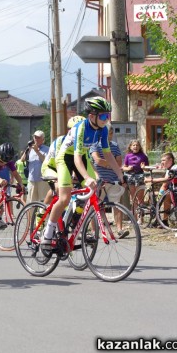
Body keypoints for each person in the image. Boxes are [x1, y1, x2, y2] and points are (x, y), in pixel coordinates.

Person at [41, 97, 124, 248]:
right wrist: (86, 177)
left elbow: (108, 155)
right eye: (103, 116)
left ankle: (74, 220)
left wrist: (120, 175)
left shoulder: (103, 130)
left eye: (108, 116)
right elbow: (76, 158)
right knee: (64, 197)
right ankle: (48, 232)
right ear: (92, 116)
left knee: (94, 190)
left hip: (82, 157)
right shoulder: (81, 128)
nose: (106, 120)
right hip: (66, 158)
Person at [89, 124, 128, 237]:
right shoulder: (95, 145)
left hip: (113, 180)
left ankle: (119, 230)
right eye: (107, 133)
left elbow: (119, 163)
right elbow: (97, 160)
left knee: (116, 205)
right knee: (95, 205)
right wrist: (112, 163)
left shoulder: (115, 146)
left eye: (111, 133)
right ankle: (93, 231)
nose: (109, 136)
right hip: (100, 180)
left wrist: (107, 163)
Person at [40, 115, 86, 205]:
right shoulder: (60, 141)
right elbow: (59, 161)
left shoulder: (82, 143)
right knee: (58, 187)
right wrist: (70, 176)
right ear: (70, 131)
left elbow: (85, 162)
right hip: (51, 168)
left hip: (67, 168)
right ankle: (41, 213)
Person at [145, 152, 177, 224]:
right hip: (175, 192)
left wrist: (151, 180)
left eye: (164, 160)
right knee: (153, 194)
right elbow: (164, 185)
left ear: (170, 160)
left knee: (166, 195)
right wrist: (158, 200)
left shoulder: (176, 167)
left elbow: (167, 179)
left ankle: (165, 221)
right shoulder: (168, 170)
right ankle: (157, 217)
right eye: (161, 160)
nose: (162, 162)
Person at [20, 130, 49, 203]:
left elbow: (45, 162)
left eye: (38, 138)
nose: (36, 139)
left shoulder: (47, 149)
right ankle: (31, 214)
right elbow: (22, 160)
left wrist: (37, 151)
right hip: (32, 179)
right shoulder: (30, 149)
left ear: (43, 139)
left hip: (43, 180)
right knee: (31, 202)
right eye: (35, 137)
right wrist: (28, 149)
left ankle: (43, 214)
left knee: (43, 201)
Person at [122, 139, 149, 206]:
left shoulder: (143, 156)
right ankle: (134, 216)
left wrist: (144, 167)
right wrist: (128, 168)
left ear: (139, 147)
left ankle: (141, 215)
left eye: (137, 145)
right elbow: (123, 167)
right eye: (133, 145)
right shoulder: (128, 156)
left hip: (139, 176)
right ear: (130, 147)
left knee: (140, 198)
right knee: (133, 198)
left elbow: (147, 169)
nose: (135, 146)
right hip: (130, 176)